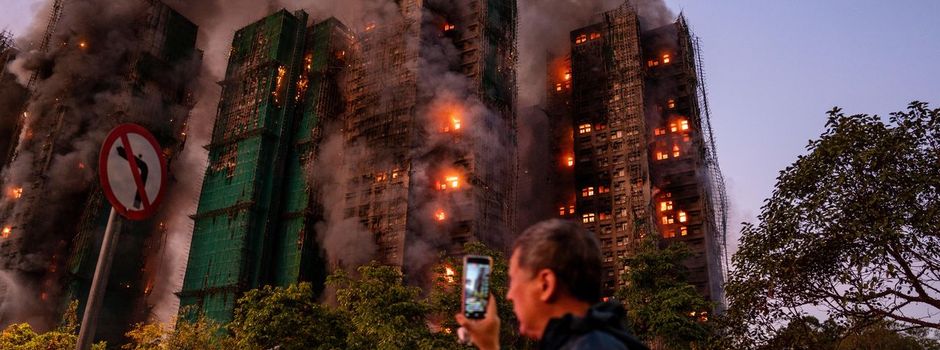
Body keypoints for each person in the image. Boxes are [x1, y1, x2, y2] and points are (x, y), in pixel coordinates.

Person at [456, 219, 648, 350]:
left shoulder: (589, 346)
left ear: (546, 284)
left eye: (513, 279)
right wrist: (489, 345)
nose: (509, 295)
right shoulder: (602, 340)